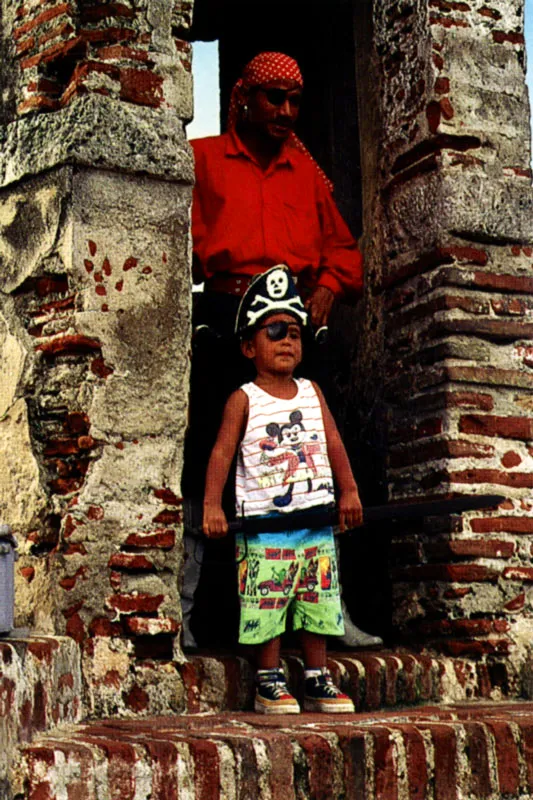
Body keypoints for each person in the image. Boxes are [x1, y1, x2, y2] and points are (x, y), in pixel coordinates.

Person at [181, 50, 382, 650]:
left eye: (295, 101)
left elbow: (346, 253)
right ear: (241, 96)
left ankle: (330, 612)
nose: (286, 112)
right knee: (204, 464)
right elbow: (173, 242)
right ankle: (186, 612)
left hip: (291, 330)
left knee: (310, 465)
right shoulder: (203, 160)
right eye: (274, 98)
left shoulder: (307, 174)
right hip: (224, 325)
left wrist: (325, 288)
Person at [203, 266, 359, 713]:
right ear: (250, 346)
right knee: (267, 603)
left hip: (314, 521)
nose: (288, 340)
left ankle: (316, 676)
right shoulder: (244, 398)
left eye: (295, 331)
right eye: (275, 330)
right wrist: (213, 504)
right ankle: (268, 678)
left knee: (317, 599)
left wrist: (348, 492)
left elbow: (333, 445)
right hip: (266, 525)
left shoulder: (312, 392)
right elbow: (220, 454)